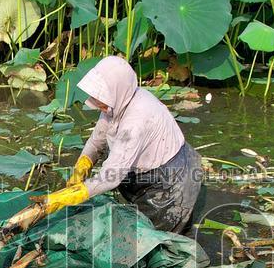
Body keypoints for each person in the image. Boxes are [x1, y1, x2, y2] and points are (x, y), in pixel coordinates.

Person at [35, 55, 203, 233]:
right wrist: (82, 166)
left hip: (170, 179)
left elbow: (111, 176)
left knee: (151, 238)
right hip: (148, 171)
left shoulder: (135, 121)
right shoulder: (118, 101)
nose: (97, 99)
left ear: (117, 89)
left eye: (102, 94)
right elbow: (98, 138)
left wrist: (67, 197)